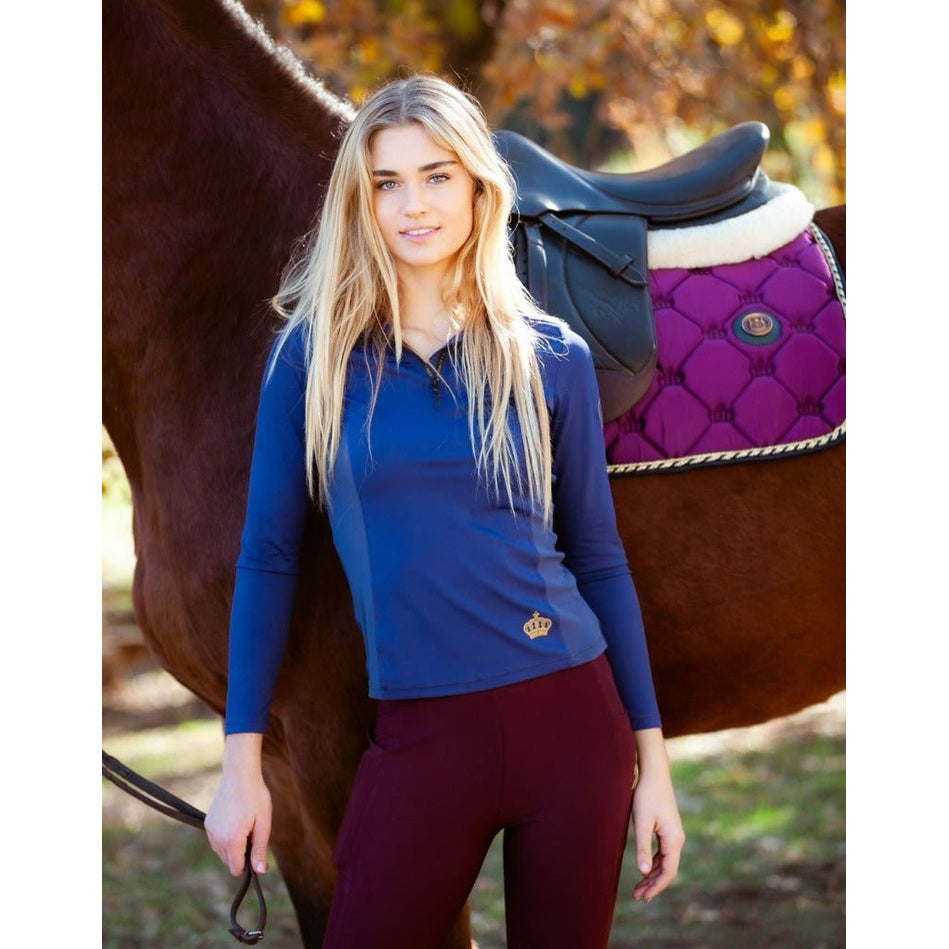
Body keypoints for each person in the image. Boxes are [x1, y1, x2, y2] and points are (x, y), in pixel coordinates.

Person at [205, 73, 685, 948]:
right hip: (422, 734)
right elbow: (269, 558)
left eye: (436, 176)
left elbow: (597, 556)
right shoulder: (311, 360)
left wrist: (650, 763)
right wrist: (241, 766)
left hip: (571, 723)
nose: (413, 205)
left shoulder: (550, 356)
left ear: (477, 186)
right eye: (386, 182)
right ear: (360, 201)